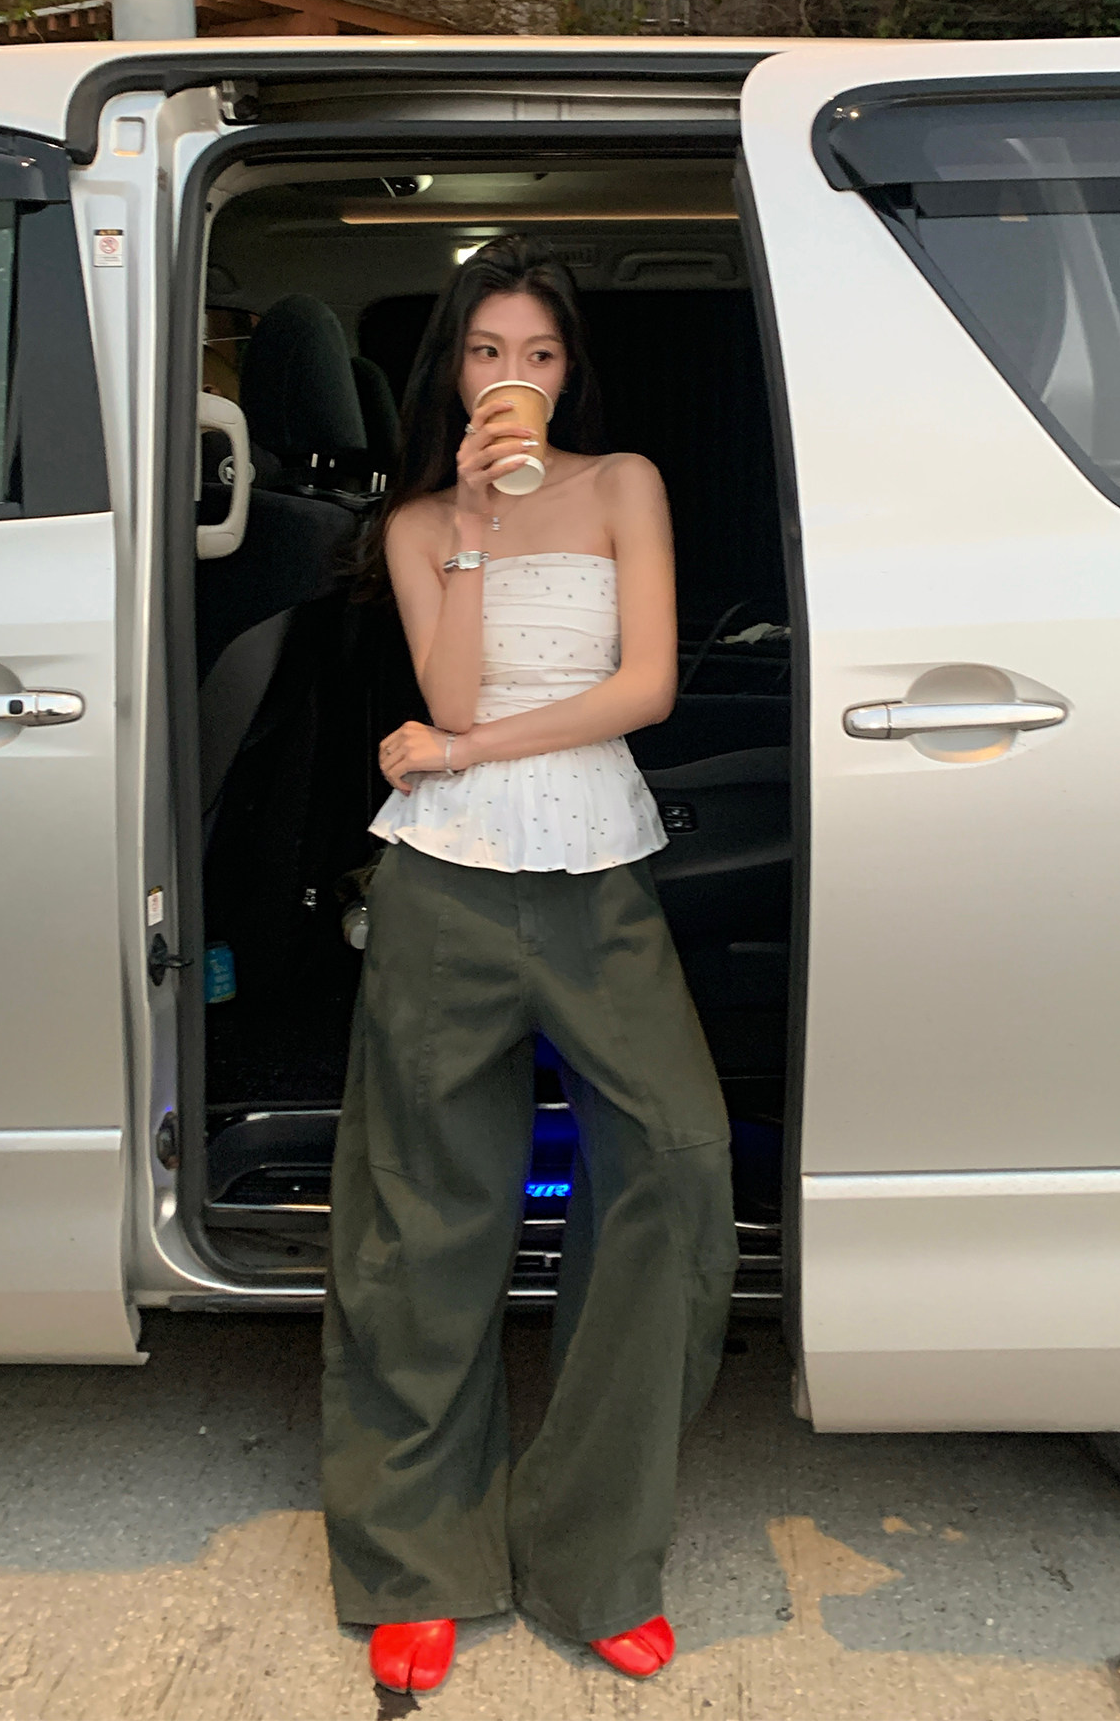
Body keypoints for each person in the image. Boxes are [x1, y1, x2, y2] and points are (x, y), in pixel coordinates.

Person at [321, 236, 739, 1695]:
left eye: (540, 354)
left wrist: (469, 748)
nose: (515, 377)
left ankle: (594, 1551)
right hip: (442, 879)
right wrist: (474, 528)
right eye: (489, 352)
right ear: (455, 369)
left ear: (570, 370)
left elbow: (647, 686)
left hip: (594, 868)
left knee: (678, 1159)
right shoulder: (417, 523)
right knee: (423, 1206)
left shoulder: (625, 484)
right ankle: (417, 1561)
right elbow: (441, 686)